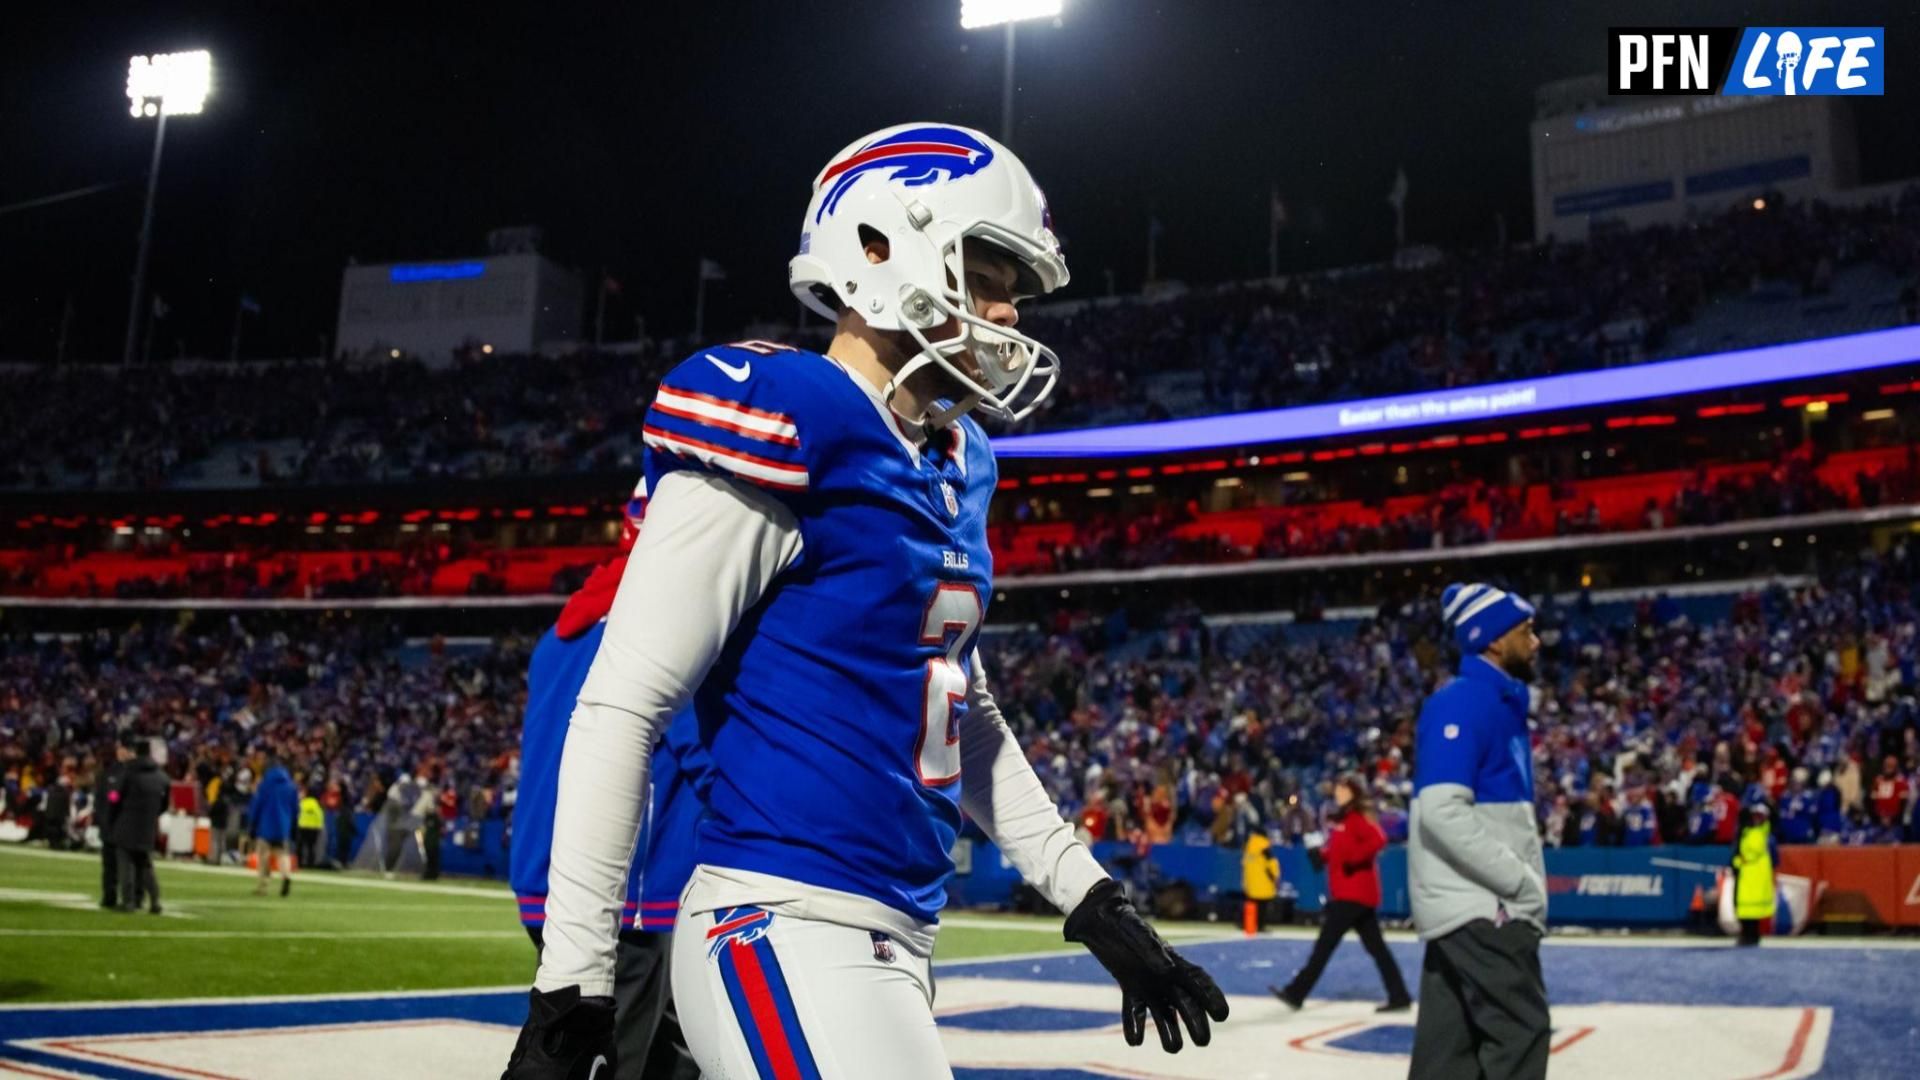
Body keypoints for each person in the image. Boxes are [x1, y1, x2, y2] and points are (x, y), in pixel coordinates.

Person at [506, 123, 1227, 1080]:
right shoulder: (787, 410)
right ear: (879, 244)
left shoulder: (960, 464)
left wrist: (1089, 894)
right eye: (989, 275)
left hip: (895, 936)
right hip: (779, 917)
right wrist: (573, 991)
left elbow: (951, 703)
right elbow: (620, 704)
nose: (1008, 315)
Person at [511, 498, 704, 1080]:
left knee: (665, 1054)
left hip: (551, 879)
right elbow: (705, 756)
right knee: (611, 1060)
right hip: (624, 892)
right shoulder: (670, 624)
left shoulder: (563, 630)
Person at [1409, 583, 1550, 1080]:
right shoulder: (1464, 703)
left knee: (1446, 1057)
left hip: (1467, 905)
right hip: (1483, 906)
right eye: (1525, 631)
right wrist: (1517, 883)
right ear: (1492, 640)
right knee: (1520, 1034)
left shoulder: (1496, 704)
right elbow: (1442, 812)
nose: (1535, 642)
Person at [1272, 773, 1412, 1012]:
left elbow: (1378, 840)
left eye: (1342, 789)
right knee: (1376, 949)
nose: (1337, 792)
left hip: (1353, 895)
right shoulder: (1343, 820)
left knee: (1324, 946)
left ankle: (1296, 993)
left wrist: (1353, 859)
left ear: (1353, 793)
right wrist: (1322, 855)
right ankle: (1399, 995)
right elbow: (1339, 851)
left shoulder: (1356, 818)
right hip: (1355, 894)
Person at [111, 736, 170, 915]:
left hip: (126, 823)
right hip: (147, 826)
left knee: (126, 864)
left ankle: (128, 902)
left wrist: (111, 807)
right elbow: (165, 804)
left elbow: (115, 796)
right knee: (145, 865)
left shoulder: (128, 771)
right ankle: (155, 902)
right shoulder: (162, 777)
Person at [249, 755, 299, 897]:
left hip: (265, 826)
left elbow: (257, 806)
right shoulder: (291, 786)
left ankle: (263, 886)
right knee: (282, 854)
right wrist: (293, 826)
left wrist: (252, 825)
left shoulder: (264, 785)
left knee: (263, 855)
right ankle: (286, 876)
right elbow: (295, 809)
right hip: (283, 826)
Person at [94, 736, 134, 907]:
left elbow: (114, 797)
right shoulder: (108, 772)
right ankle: (109, 896)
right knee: (109, 865)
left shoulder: (133, 773)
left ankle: (130, 898)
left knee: (126, 866)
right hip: (110, 826)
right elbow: (104, 798)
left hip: (124, 826)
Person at [1731, 803, 1778, 946]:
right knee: (1744, 907)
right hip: (1747, 875)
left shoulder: (1764, 834)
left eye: (1760, 816)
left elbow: (1752, 854)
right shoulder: (1746, 832)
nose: (1756, 819)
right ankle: (1746, 933)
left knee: (1753, 909)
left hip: (1755, 875)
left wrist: (1739, 861)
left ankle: (1751, 935)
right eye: (1754, 816)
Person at [1241, 827, 1279, 932]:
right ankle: (1260, 926)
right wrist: (1275, 876)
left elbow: (1244, 864)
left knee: (1251, 904)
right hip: (1263, 881)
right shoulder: (1264, 846)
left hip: (1251, 881)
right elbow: (1271, 862)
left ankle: (1247, 924)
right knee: (1262, 906)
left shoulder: (1248, 846)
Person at [296, 787, 325, 871]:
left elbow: (297, 814)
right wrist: (319, 826)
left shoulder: (302, 803)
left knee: (300, 846)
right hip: (313, 828)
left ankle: (299, 864)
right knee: (311, 847)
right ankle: (310, 865)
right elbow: (320, 816)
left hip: (302, 827)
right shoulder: (317, 804)